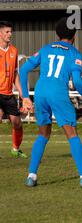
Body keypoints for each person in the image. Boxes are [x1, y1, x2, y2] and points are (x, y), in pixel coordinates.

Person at [20, 17, 82, 188]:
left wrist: (25, 96)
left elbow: (24, 69)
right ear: (74, 35)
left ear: (57, 33)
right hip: (58, 93)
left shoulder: (46, 49)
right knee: (72, 134)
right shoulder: (74, 53)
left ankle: (31, 176)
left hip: (40, 93)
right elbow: (77, 82)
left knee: (43, 134)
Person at [0, 21, 27, 158]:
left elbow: (16, 73)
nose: (10, 34)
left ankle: (15, 149)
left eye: (11, 31)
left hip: (8, 94)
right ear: (0, 33)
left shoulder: (14, 51)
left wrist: (23, 95)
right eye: (7, 32)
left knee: (17, 123)